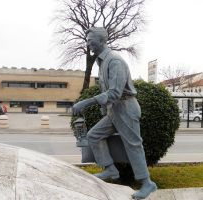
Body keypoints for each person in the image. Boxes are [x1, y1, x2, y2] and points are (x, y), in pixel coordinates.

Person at [72, 27, 157, 199]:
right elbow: (107, 90)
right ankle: (110, 169)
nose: (88, 44)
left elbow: (115, 93)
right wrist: (105, 110)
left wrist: (86, 102)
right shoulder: (102, 62)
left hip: (126, 108)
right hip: (115, 110)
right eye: (87, 40)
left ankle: (147, 183)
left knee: (133, 145)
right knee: (94, 135)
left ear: (102, 41)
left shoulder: (115, 61)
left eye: (90, 40)